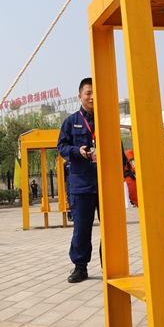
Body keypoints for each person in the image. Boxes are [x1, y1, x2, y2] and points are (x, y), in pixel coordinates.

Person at [57, 77, 99, 284]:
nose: (92, 97)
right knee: (81, 228)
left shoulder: (106, 119)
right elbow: (61, 147)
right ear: (80, 96)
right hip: (81, 184)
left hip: (105, 183)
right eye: (88, 93)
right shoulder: (70, 122)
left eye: (95, 93)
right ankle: (80, 267)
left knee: (112, 228)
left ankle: (111, 264)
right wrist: (77, 150)